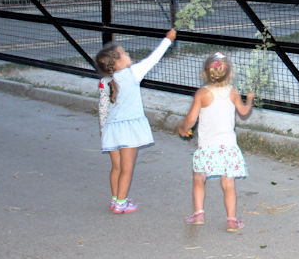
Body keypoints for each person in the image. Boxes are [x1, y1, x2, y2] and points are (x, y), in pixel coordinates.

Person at [96, 29, 176, 213]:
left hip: (111, 128)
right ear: (117, 62)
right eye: (124, 53)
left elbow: (103, 107)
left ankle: (115, 198)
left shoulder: (106, 80)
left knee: (116, 167)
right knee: (127, 168)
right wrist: (167, 39)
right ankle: (121, 203)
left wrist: (103, 130)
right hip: (128, 129)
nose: (128, 54)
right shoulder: (132, 73)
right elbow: (153, 59)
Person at [177, 52, 254, 232]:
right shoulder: (233, 93)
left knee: (198, 178)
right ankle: (232, 220)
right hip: (228, 147)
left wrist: (182, 129)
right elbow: (243, 112)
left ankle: (198, 214)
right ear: (231, 74)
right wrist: (249, 99)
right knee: (228, 184)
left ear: (205, 74)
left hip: (207, 147)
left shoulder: (202, 93)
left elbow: (191, 119)